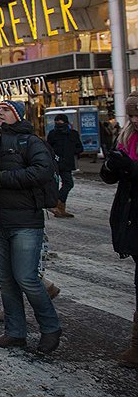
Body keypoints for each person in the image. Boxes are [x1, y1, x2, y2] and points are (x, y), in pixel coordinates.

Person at [0, 100, 62, 354]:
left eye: (5, 110)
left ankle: (50, 327)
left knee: (26, 278)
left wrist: (3, 178)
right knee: (6, 281)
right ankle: (15, 332)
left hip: (25, 221)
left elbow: (42, 171)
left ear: (18, 116)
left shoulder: (30, 142)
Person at [102, 91, 138, 367]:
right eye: (132, 115)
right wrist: (111, 167)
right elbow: (110, 178)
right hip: (129, 218)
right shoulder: (127, 137)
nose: (135, 120)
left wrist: (132, 169)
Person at [46, 114, 83, 218]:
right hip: (57, 164)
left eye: (60, 123)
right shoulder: (53, 134)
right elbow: (49, 149)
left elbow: (80, 148)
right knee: (60, 184)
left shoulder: (72, 134)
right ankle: (58, 206)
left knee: (67, 183)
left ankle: (59, 206)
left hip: (65, 164)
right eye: (57, 123)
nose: (58, 125)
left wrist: (71, 152)